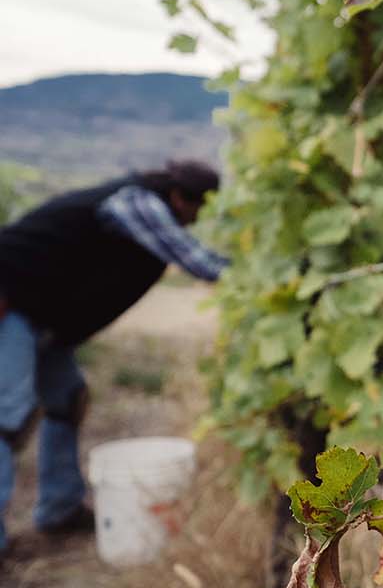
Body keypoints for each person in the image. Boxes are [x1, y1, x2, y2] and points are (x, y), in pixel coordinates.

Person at [0, 158, 227, 559]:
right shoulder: (139, 203)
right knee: (7, 416)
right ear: (179, 197)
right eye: (199, 208)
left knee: (67, 400)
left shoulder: (148, 209)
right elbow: (200, 263)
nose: (197, 219)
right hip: (11, 302)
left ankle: (60, 507)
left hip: (42, 315)